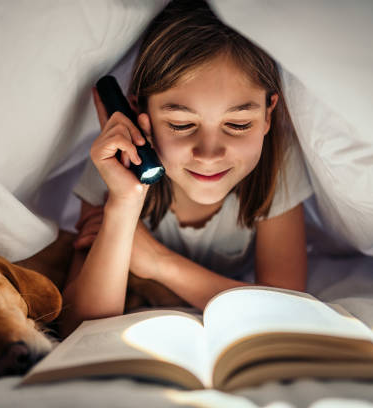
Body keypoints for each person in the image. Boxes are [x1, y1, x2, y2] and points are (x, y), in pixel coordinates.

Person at [61, 0, 313, 335]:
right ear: (138, 114)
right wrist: (124, 203)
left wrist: (159, 263)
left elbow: (289, 306)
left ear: (268, 115)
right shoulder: (117, 166)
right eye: (181, 125)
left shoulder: (275, 163)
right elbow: (78, 325)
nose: (209, 154)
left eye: (238, 125)